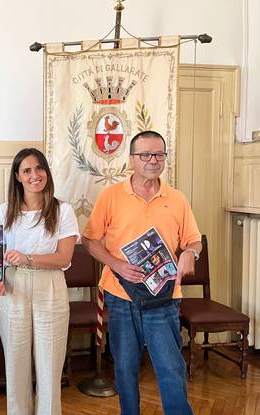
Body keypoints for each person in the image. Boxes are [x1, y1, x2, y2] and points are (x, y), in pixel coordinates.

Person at [82, 130, 202, 415]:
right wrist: (117, 263)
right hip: (121, 296)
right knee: (124, 368)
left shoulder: (177, 198)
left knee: (171, 367)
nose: (153, 160)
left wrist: (190, 253)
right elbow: (90, 240)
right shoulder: (111, 196)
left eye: (159, 154)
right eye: (145, 154)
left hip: (164, 297)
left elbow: (193, 240)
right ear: (131, 159)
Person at [0, 148, 79, 415]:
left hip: (49, 285)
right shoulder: (4, 211)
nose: (34, 175)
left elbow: (63, 258)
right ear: (17, 176)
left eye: (39, 168)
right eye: (27, 170)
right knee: (15, 362)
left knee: (49, 363)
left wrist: (27, 257)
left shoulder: (63, 210)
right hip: (13, 287)